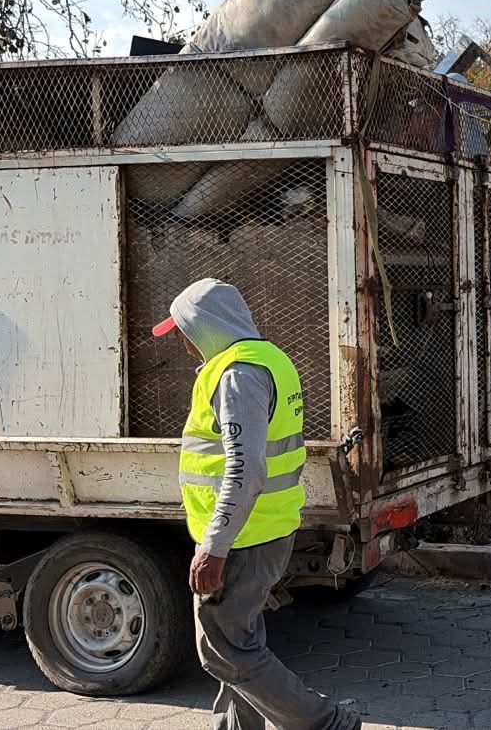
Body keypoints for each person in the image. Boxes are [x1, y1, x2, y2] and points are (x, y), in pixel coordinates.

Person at [154, 278, 361, 730]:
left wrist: (215, 545)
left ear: (205, 328)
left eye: (183, 331)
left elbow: (245, 470)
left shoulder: (237, 376)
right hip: (264, 529)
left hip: (243, 539)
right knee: (241, 641)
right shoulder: (267, 361)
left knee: (224, 653)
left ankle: (325, 723)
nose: (182, 343)